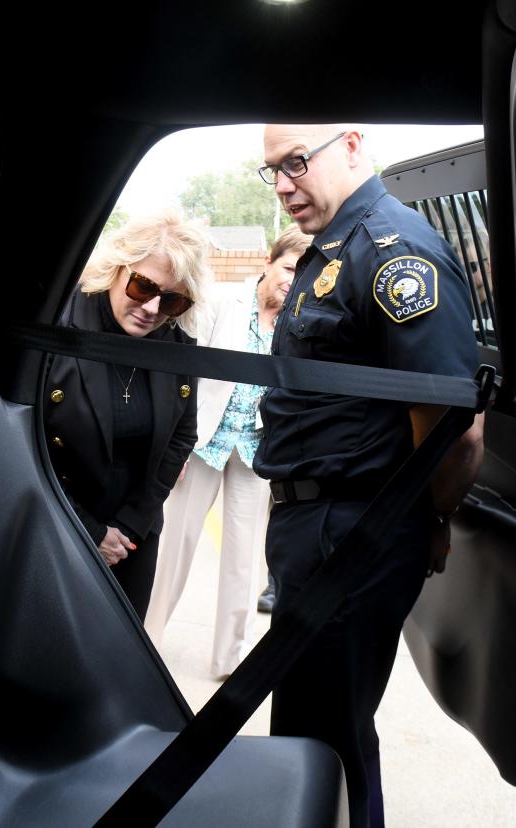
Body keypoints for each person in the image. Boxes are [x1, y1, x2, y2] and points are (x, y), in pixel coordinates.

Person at [254, 125, 484, 828]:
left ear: (351, 146)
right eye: (273, 171)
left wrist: (426, 520)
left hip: (351, 533)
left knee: (319, 738)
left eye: (297, 162)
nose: (286, 184)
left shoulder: (393, 251)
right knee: (320, 730)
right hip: (319, 528)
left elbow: (454, 429)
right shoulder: (335, 252)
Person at [145, 224, 313, 677]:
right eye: (288, 268)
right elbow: (187, 371)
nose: (292, 281)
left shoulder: (299, 321)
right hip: (202, 442)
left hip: (255, 448)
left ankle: (229, 658)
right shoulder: (223, 302)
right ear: (268, 262)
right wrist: (173, 445)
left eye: (302, 275)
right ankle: (146, 637)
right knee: (175, 545)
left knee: (244, 558)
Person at [43, 212, 210, 619]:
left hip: (133, 537)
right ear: (116, 268)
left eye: (171, 300)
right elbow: (22, 440)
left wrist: (132, 525)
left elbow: (181, 438)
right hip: (56, 523)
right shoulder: (57, 328)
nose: (152, 308)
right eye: (143, 286)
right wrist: (90, 529)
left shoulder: (175, 346)